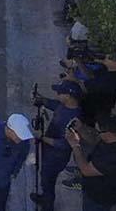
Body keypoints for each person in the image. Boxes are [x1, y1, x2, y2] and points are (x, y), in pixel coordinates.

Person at [29, 81, 83, 211]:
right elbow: (56, 106)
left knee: (48, 181)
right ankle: (45, 198)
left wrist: (42, 137)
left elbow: (65, 144)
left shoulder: (73, 120)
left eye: (60, 93)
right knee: (45, 178)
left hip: (56, 157)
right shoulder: (66, 106)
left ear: (68, 96)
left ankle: (48, 205)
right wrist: (42, 99)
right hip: (49, 151)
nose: (57, 94)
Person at [67, 114, 116, 211]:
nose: (96, 133)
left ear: (109, 133)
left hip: (99, 197)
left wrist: (75, 145)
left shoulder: (114, 156)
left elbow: (86, 170)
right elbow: (95, 139)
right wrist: (81, 129)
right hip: (95, 182)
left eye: (98, 131)